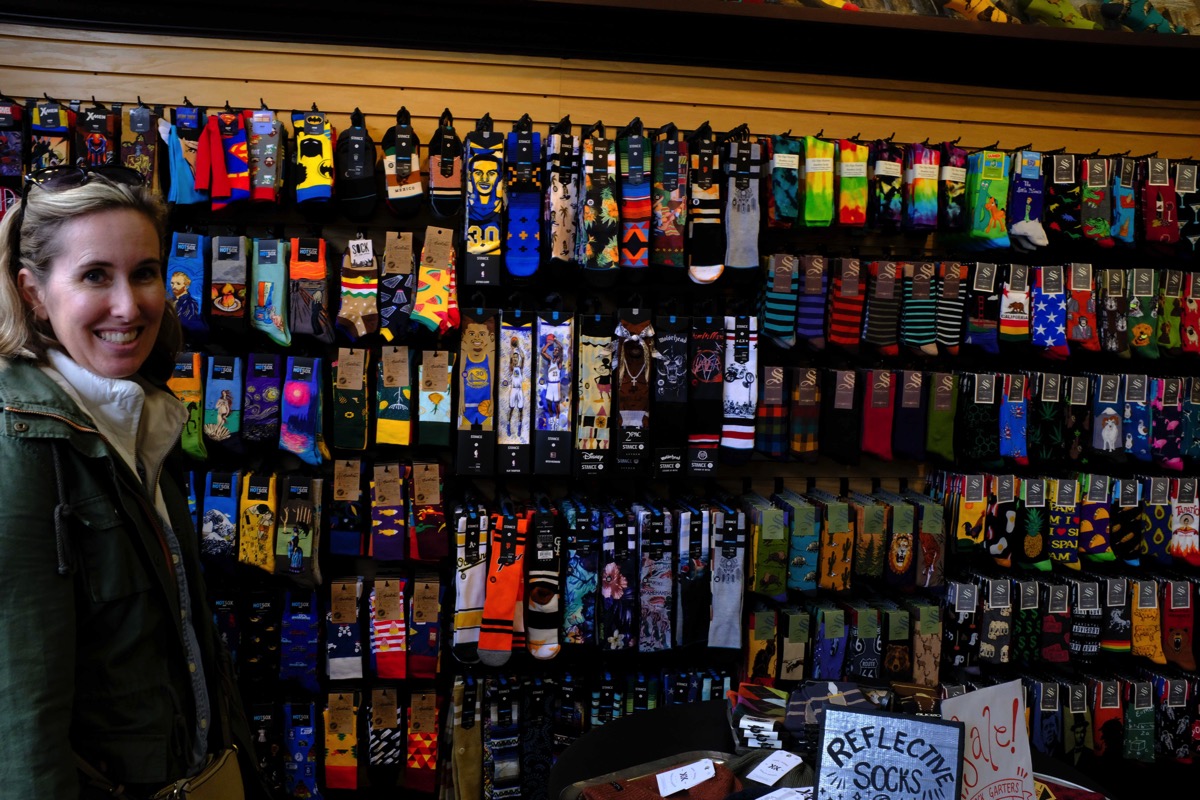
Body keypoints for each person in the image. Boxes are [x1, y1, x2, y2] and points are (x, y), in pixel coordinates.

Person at [0, 166, 263, 798]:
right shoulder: (21, 446)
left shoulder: (138, 417)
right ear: (33, 293)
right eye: (95, 275)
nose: (130, 305)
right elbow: (20, 716)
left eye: (145, 273)